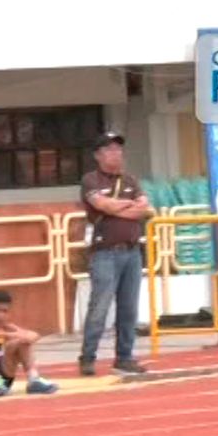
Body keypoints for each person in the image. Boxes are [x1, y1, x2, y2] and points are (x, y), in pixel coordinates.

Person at [78, 131, 153, 375]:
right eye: (110, 149)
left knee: (129, 308)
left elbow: (146, 209)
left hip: (132, 252)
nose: (116, 154)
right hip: (105, 253)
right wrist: (128, 205)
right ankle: (88, 356)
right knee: (99, 307)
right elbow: (102, 205)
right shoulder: (90, 180)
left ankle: (124, 356)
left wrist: (117, 207)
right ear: (98, 155)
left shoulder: (130, 180)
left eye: (118, 149)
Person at [0, 289, 56, 397]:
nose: (0, 316)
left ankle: (33, 379)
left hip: (3, 381)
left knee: (21, 342)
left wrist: (18, 337)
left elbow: (33, 335)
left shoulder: (8, 327)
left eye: (4, 311)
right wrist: (8, 335)